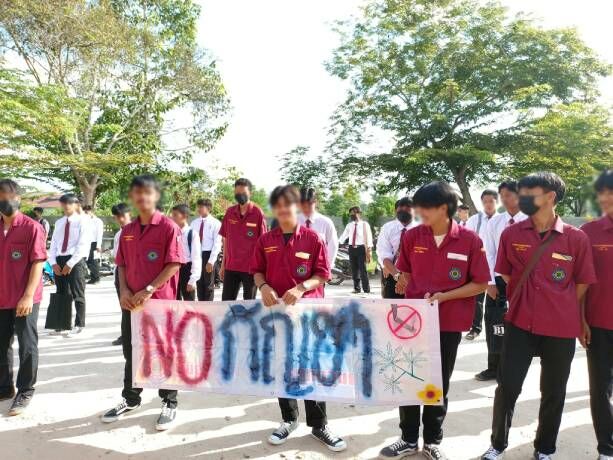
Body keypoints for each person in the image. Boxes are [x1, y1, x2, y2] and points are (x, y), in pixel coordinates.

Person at [481, 172, 597, 460]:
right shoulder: (511, 234)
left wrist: (559, 304)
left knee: (554, 391)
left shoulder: (575, 238)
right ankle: (497, 445)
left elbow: (582, 281)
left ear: (550, 197)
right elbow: (505, 273)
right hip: (520, 322)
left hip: (560, 327)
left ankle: (545, 449)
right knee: (507, 387)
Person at [378, 181, 489, 460]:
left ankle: (432, 440)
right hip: (413, 323)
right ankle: (407, 438)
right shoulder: (413, 236)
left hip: (448, 322)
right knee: (408, 378)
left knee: (437, 383)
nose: (418, 211)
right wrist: (403, 282)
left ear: (443, 208)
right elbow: (405, 271)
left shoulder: (470, 241)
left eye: (424, 207)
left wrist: (445, 296)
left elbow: (480, 283)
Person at [250, 185, 346, 452]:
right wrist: (264, 286)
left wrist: (302, 287)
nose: (283, 210)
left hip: (309, 313)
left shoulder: (313, 238)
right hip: (277, 315)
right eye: (278, 205)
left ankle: (319, 425)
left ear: (297, 207)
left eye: (287, 204)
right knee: (283, 364)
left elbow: (323, 274)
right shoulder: (265, 240)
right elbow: (257, 271)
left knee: (310, 364)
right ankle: (288, 419)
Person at [101, 175, 184, 430]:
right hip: (132, 305)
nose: (141, 198)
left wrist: (149, 289)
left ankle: (169, 402)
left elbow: (175, 263)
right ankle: (131, 398)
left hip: (159, 303)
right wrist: (124, 290)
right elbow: (122, 265)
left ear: (156, 196)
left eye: (146, 193)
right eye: (137, 193)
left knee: (161, 351)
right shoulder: (127, 231)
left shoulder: (169, 227)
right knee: (132, 351)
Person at [0, 179, 46, 416]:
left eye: (7, 195)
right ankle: (5, 387)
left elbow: (38, 262)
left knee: (27, 345)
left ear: (18, 198)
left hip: (25, 297)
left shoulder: (32, 227)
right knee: (1, 345)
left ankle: (25, 390)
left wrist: (28, 296)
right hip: (2, 296)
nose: (4, 200)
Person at [476, 181, 527, 381]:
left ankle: (514, 368)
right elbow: (488, 253)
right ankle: (493, 367)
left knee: (519, 326)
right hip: (498, 281)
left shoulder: (530, 220)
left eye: (509, 195)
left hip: (523, 282)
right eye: (502, 195)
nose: (505, 199)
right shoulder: (495, 223)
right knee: (493, 323)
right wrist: (489, 282)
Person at [580, 169, 613, 460]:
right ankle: (607, 448)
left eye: (610, 192)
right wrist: (581, 320)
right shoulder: (588, 233)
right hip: (599, 325)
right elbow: (580, 283)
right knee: (600, 389)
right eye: (601, 192)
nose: (604, 198)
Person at [48, 193, 90, 335]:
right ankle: (61, 324)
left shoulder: (83, 221)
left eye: (69, 203)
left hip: (75, 260)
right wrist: (53, 262)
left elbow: (83, 245)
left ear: (76, 204)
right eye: (64, 203)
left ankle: (79, 324)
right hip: (59, 259)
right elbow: (53, 243)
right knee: (61, 293)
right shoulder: (60, 222)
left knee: (78, 293)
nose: (66, 206)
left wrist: (70, 263)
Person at [219, 178, 267, 301]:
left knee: (249, 305)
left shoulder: (258, 213)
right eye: (237, 193)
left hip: (250, 269)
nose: (240, 195)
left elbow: (263, 245)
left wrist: (261, 270)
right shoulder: (230, 212)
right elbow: (226, 240)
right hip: (231, 266)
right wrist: (223, 264)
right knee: (227, 304)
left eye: (243, 193)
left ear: (250, 193)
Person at [465, 189, 500, 340]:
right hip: (478, 266)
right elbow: (466, 241)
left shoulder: (503, 220)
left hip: (498, 267)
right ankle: (475, 328)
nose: (488, 204)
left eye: (491, 201)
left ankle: (496, 331)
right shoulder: (474, 220)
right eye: (485, 201)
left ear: (497, 202)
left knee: (497, 301)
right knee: (476, 299)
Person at [376, 197, 418, 298]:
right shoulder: (387, 228)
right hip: (391, 274)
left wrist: (406, 278)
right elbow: (384, 255)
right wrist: (398, 276)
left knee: (414, 311)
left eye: (408, 207)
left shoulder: (422, 230)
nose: (404, 209)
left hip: (415, 278)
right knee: (391, 310)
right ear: (396, 210)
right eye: (401, 207)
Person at [190, 198, 221, 301]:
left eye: (201, 207)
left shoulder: (216, 223)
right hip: (196, 254)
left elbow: (217, 243)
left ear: (208, 208)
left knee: (208, 285)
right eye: (197, 207)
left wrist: (211, 261)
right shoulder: (194, 223)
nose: (198, 209)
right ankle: (201, 308)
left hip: (208, 255)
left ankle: (208, 309)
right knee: (198, 282)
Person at [298, 187, 339, 265]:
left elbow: (333, 245)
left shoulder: (326, 222)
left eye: (309, 204)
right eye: (303, 204)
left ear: (315, 202)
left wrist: (328, 267)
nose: (306, 208)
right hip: (297, 267)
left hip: (319, 267)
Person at [110, 203, 131, 347]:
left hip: (132, 271)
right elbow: (115, 254)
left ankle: (130, 334)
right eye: (118, 217)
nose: (121, 219)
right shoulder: (119, 234)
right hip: (119, 271)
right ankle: (126, 334)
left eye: (123, 216)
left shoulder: (136, 231)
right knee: (124, 306)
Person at [339, 206, 373, 294]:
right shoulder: (349, 225)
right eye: (351, 214)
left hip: (361, 248)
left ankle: (366, 289)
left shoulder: (365, 224)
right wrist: (338, 242)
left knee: (363, 269)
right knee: (354, 270)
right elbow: (344, 235)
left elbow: (369, 237)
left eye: (354, 213)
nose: (352, 215)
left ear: (359, 213)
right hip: (351, 248)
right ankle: (357, 288)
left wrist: (369, 249)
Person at [171, 204, 202, 301]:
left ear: (184, 216)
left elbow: (196, 257)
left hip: (186, 269)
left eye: (175, 215)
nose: (172, 217)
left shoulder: (192, 233)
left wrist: (193, 279)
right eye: (172, 215)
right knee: (174, 300)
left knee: (189, 301)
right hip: (173, 269)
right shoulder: (172, 232)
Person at [83, 205, 104, 284]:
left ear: (91, 211)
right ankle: (93, 277)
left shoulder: (98, 221)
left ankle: (96, 278)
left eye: (86, 212)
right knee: (88, 260)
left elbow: (100, 234)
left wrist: (98, 245)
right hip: (86, 242)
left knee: (93, 260)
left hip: (94, 243)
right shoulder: (85, 221)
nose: (85, 214)